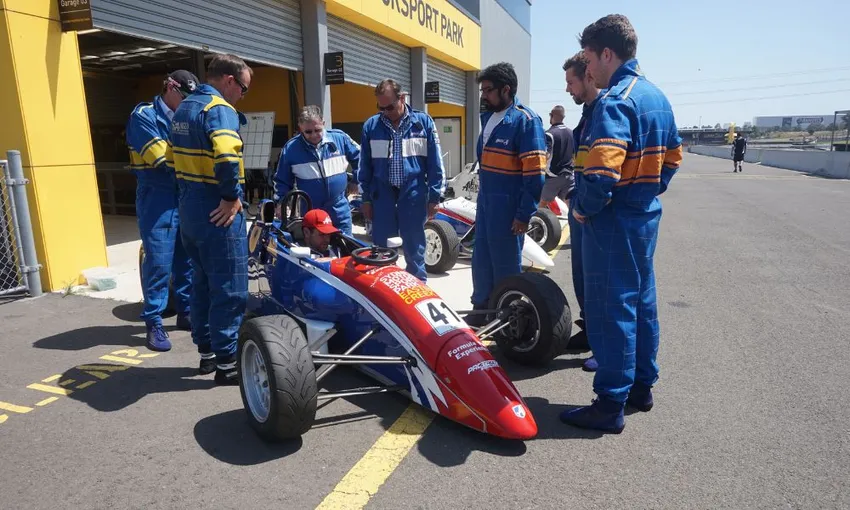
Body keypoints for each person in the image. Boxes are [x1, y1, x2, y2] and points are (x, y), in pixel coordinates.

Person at [560, 14, 683, 434]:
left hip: (611, 221)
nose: (587, 68)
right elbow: (673, 159)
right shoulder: (657, 97)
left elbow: (600, 174)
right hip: (644, 216)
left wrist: (583, 209)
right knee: (642, 305)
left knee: (611, 310)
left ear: (607, 54)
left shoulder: (616, 101)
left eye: (589, 58)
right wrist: (646, 190)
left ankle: (609, 402)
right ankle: (641, 388)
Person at [166, 53, 253, 385]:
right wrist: (230, 197)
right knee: (230, 287)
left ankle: (207, 354)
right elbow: (228, 156)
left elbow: (172, 158)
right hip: (218, 209)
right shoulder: (219, 110)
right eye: (243, 89)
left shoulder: (183, 109)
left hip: (190, 207)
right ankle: (228, 363)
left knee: (201, 283)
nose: (242, 96)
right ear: (229, 81)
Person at [466, 62, 547, 326]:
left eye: (488, 90)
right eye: (482, 90)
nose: (484, 96)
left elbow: (534, 175)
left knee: (506, 266)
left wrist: (524, 214)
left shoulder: (526, 121)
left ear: (506, 90)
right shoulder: (488, 118)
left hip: (509, 210)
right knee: (482, 261)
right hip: (487, 205)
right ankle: (482, 310)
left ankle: (509, 317)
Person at [126, 70, 199, 352]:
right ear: (169, 87)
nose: (187, 102)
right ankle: (154, 320)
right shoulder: (143, 116)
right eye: (183, 96)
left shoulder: (186, 116)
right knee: (159, 260)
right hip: (157, 196)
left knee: (186, 258)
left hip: (184, 194)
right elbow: (162, 159)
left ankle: (186, 311)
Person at [357, 79, 445, 282]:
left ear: (402, 98)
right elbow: (364, 167)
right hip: (382, 195)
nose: (386, 111)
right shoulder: (372, 126)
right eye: (381, 107)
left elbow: (435, 163)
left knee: (415, 247)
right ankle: (384, 288)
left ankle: (417, 287)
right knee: (382, 249)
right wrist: (366, 199)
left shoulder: (422, 123)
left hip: (413, 193)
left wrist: (434, 197)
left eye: (390, 106)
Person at [562, 50, 602, 372]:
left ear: (587, 76)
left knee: (600, 282)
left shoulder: (605, 112)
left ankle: (604, 346)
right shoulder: (588, 114)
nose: (567, 89)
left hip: (596, 216)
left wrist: (586, 205)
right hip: (581, 210)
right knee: (582, 278)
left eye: (570, 82)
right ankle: (590, 332)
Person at [274, 105, 361, 235]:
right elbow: (281, 181)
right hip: (311, 212)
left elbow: (362, 159)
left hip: (339, 210)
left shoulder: (340, 139)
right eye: (308, 132)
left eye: (318, 130)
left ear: (323, 124)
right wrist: (281, 203)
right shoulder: (291, 149)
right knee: (317, 253)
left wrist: (356, 179)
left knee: (345, 249)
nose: (314, 135)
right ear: (300, 128)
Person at [541, 105, 575, 204]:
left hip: (553, 175)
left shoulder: (549, 134)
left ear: (551, 115)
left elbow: (546, 155)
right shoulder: (572, 133)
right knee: (569, 206)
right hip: (569, 175)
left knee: (541, 206)